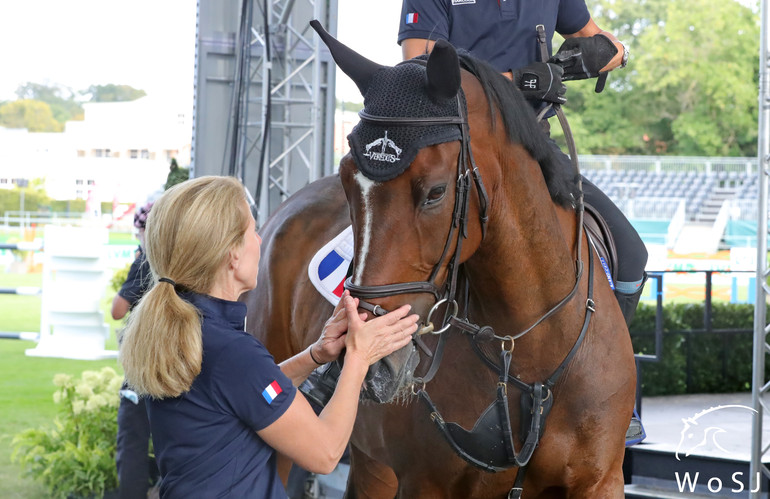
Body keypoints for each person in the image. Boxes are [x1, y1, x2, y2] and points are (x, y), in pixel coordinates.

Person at [396, 0, 647, 445]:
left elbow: (598, 40)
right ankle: (343, 370)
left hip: (531, 149)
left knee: (630, 256)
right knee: (384, 250)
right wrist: (523, 79)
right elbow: (420, 69)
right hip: (451, 157)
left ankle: (610, 396)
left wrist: (610, 52)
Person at [119, 176, 419, 498]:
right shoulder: (231, 352)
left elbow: (243, 393)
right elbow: (325, 453)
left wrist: (315, 355)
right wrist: (359, 359)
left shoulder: (190, 331)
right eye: (251, 231)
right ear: (232, 254)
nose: (260, 240)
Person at [111, 201, 158, 499]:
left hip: (144, 367)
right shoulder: (187, 260)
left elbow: (118, 310)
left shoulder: (145, 261)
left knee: (132, 441)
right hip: (182, 364)